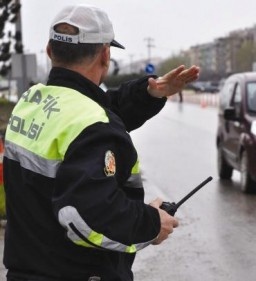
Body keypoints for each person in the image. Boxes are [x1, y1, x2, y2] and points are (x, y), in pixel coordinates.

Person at [2, 4, 199, 281]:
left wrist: (148, 93)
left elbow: (93, 113)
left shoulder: (32, 101)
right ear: (105, 55)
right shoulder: (92, 124)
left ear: (49, 51)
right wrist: (151, 224)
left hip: (25, 270)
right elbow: (88, 215)